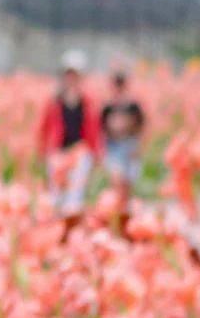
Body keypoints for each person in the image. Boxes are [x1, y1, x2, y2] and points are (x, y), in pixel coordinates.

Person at [37, 50, 102, 225]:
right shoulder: (54, 101)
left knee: (75, 194)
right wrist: (42, 152)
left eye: (75, 75)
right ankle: (53, 228)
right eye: (69, 74)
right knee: (55, 193)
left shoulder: (87, 102)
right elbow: (44, 129)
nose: (71, 78)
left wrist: (96, 154)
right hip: (59, 152)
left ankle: (70, 229)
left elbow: (94, 130)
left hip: (79, 152)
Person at [101, 67, 146, 209]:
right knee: (116, 179)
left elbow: (141, 126)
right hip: (114, 145)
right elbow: (102, 128)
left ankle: (124, 210)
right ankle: (116, 209)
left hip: (130, 145)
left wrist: (139, 145)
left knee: (128, 182)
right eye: (116, 83)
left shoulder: (133, 106)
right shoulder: (107, 106)